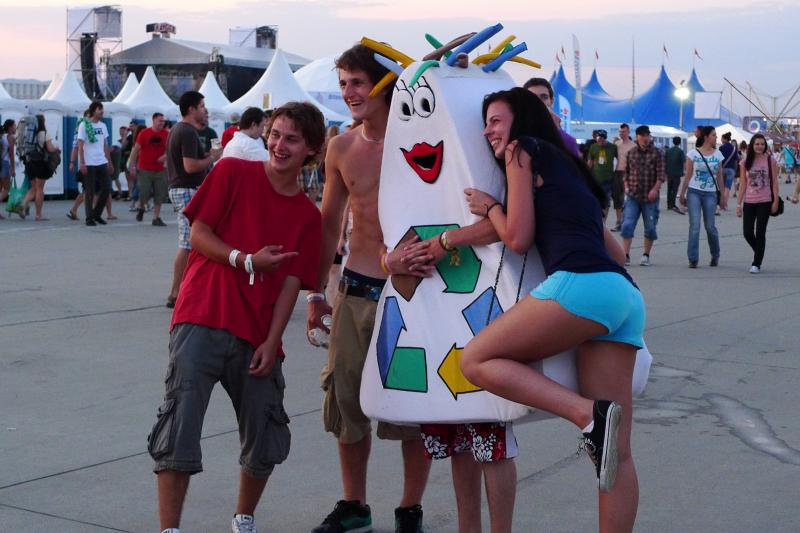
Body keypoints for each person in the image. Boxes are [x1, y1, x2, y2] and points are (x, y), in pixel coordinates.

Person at [457, 87, 642, 532]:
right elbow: (617, 253)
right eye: (485, 123)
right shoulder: (570, 168)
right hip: (623, 295)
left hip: (580, 285)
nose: (487, 131)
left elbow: (517, 238)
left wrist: (492, 207)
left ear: (520, 120)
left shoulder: (521, 150)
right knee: (616, 455)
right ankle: (596, 420)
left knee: (475, 359)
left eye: (495, 120)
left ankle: (586, 414)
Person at [148, 101, 324, 533]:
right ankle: (169, 529)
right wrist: (244, 259)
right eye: (275, 134)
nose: (279, 145)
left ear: (311, 150)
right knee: (179, 424)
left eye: (292, 139)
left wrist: (272, 341)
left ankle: (244, 518)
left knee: (265, 430)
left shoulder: (308, 216)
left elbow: (291, 284)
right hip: (201, 316)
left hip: (256, 334)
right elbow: (199, 234)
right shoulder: (231, 172)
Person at [307, 44, 430, 533]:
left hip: (412, 293)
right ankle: (354, 504)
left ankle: (410, 508)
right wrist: (316, 292)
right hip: (356, 288)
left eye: (357, 82)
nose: (348, 92)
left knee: (411, 406)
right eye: (343, 83)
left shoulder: (423, 141)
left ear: (384, 83)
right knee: (345, 401)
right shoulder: (341, 147)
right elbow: (329, 222)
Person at [165, 91, 222, 308]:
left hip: (182, 188)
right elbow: (190, 166)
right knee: (188, 242)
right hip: (187, 189)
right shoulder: (187, 131)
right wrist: (212, 158)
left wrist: (207, 156)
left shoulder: (178, 129)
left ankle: (181, 290)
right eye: (202, 106)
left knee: (190, 241)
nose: (205, 110)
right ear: (191, 109)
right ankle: (176, 292)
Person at [679, 126, 726, 268]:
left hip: (710, 193)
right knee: (695, 225)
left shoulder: (718, 155)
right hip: (694, 191)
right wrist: (682, 193)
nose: (716, 137)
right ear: (706, 137)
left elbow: (720, 176)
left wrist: (722, 196)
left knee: (710, 226)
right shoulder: (693, 154)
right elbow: (688, 175)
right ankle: (693, 258)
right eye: (713, 135)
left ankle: (715, 254)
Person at [620, 125, 664, 267]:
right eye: (643, 136)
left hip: (650, 198)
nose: (645, 138)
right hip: (633, 196)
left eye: (647, 135)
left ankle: (646, 255)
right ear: (637, 137)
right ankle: (625, 255)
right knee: (627, 225)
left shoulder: (657, 153)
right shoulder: (631, 153)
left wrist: (655, 189)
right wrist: (626, 187)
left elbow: (661, 175)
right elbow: (626, 173)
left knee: (650, 227)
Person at [736, 134, 780, 273]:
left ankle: (756, 263)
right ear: (752, 145)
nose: (759, 146)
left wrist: (775, 201)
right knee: (747, 233)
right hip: (749, 201)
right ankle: (759, 251)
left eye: (762, 144)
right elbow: (743, 183)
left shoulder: (770, 160)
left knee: (760, 232)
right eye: (757, 144)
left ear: (765, 145)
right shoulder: (745, 162)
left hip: (765, 200)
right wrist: (738, 204)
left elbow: (774, 181)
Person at [522, 77, 581, 158]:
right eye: (532, 97)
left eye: (544, 97)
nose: (538, 101)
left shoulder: (568, 141)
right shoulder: (514, 135)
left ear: (552, 101)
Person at [129, 112, 169, 226]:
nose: (162, 123)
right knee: (144, 191)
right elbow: (136, 150)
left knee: (159, 193)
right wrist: (132, 166)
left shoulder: (166, 134)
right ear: (153, 120)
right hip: (145, 168)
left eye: (163, 121)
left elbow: (171, 149)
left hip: (160, 169)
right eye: (160, 121)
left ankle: (156, 217)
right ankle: (141, 207)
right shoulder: (144, 133)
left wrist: (165, 157)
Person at [77, 101, 113, 226]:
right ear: (93, 111)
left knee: (107, 188)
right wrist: (82, 163)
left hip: (101, 161)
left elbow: (105, 145)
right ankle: (89, 218)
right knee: (90, 191)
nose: (102, 111)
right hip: (89, 162)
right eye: (99, 109)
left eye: (102, 109)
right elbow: (80, 145)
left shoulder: (103, 126)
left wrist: (109, 162)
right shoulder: (84, 125)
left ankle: (97, 214)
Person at [20, 114, 61, 221]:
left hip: (29, 162)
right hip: (40, 163)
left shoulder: (29, 132)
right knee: (39, 189)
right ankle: (38, 215)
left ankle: (23, 205)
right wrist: (56, 148)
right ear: (43, 121)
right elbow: (50, 148)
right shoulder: (45, 132)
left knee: (34, 187)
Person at [587, 129, 617, 220]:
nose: (600, 141)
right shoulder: (593, 147)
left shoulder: (612, 147)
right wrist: (585, 174)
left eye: (601, 139)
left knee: (605, 202)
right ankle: (596, 219)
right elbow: (590, 162)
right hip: (595, 179)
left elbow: (620, 159)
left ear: (605, 139)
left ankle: (603, 222)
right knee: (595, 200)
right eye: (598, 139)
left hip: (608, 179)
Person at [612, 124, 636, 231]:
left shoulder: (633, 146)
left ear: (628, 132)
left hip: (628, 174)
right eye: (620, 131)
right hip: (617, 173)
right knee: (617, 198)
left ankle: (627, 221)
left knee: (628, 199)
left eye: (623, 131)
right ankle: (618, 221)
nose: (621, 133)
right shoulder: (616, 144)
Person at [718, 132, 739, 210]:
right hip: (731, 169)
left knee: (722, 187)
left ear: (725, 139)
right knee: (727, 188)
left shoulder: (721, 148)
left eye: (722, 138)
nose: (721, 140)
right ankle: (725, 204)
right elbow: (736, 160)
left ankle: (721, 203)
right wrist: (735, 170)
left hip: (722, 169)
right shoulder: (734, 148)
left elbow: (718, 159)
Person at [665, 137, 686, 214]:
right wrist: (684, 171)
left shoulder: (668, 151)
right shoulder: (680, 151)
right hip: (677, 173)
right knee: (674, 189)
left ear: (673, 142)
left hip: (669, 172)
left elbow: (665, 161)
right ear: (679, 142)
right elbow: (683, 161)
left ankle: (668, 204)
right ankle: (672, 204)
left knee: (669, 188)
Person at [0, 119, 16, 218]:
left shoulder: (2, 136)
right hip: (5, 163)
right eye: (14, 126)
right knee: (6, 189)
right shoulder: (11, 138)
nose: (15, 127)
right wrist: (13, 168)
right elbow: (11, 154)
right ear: (10, 127)